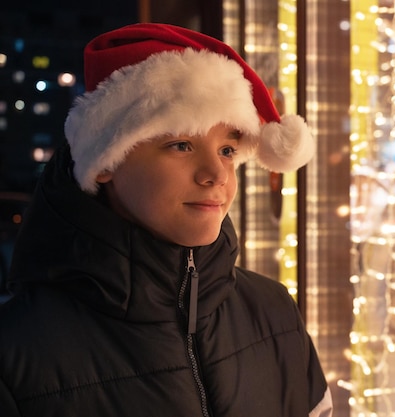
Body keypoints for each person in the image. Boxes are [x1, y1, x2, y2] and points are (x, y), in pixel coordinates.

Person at [0, 23, 332, 417]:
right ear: (107, 160)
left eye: (227, 148)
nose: (216, 173)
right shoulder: (17, 349)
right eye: (181, 144)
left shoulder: (273, 309)